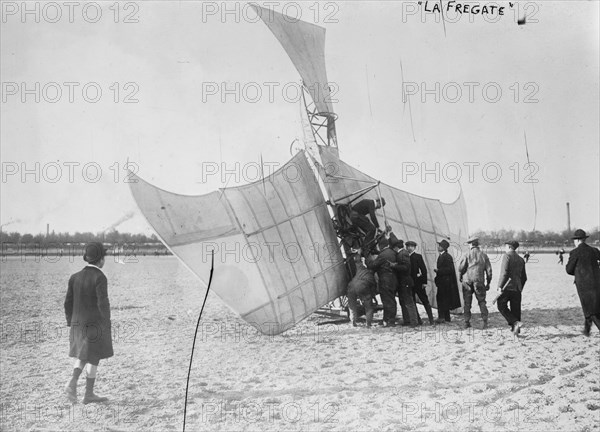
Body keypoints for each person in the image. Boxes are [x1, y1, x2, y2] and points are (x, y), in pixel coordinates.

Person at [64, 242, 113, 404]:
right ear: (100, 260)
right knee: (93, 356)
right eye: (104, 257)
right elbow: (103, 304)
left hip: (77, 324)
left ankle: (86, 393)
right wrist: (107, 322)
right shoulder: (100, 277)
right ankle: (80, 388)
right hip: (94, 325)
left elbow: (67, 303)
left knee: (86, 356)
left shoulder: (74, 277)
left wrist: (70, 322)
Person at [565, 229, 600, 336]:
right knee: (594, 306)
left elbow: (569, 270)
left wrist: (578, 273)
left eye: (575, 240)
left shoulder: (574, 252)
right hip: (597, 283)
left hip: (584, 285)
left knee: (589, 309)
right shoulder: (595, 250)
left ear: (578, 240)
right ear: (584, 239)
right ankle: (587, 330)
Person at [458, 237, 492, 329]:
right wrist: (488, 283)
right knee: (482, 301)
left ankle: (466, 322)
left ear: (471, 245)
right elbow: (489, 271)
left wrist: (460, 277)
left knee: (467, 303)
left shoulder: (466, 254)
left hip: (467, 281)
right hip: (479, 281)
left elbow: (461, 268)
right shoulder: (484, 255)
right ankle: (485, 321)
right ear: (477, 244)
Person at [496, 240, 527, 336]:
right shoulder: (521, 259)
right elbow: (524, 277)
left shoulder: (507, 256)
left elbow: (504, 273)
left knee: (501, 305)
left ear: (509, 247)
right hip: (517, 288)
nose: (505, 248)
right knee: (516, 309)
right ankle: (516, 331)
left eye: (505, 246)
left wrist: (500, 286)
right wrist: (520, 287)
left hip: (507, 287)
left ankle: (514, 322)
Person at [367, 236, 398, 326]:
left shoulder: (382, 255)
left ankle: (390, 321)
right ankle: (387, 319)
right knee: (391, 299)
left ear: (380, 246)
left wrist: (367, 257)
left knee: (387, 300)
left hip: (385, 281)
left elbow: (372, 265)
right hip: (394, 280)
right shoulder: (392, 252)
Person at [389, 233, 419, 327]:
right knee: (404, 302)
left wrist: (394, 266)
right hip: (403, 282)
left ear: (396, 247)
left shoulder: (403, 254)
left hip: (405, 281)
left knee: (409, 302)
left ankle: (414, 322)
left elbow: (406, 267)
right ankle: (407, 320)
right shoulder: (403, 253)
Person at [406, 240, 435, 325]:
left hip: (418, 283)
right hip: (410, 283)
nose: (409, 248)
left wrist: (424, 282)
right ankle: (418, 320)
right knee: (413, 302)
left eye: (411, 246)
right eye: (408, 246)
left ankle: (431, 319)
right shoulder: (405, 257)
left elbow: (424, 269)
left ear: (415, 248)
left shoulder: (418, 256)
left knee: (425, 300)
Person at [433, 240, 461, 323]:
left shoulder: (447, 256)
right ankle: (445, 318)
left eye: (440, 246)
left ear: (443, 248)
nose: (438, 247)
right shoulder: (444, 255)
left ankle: (442, 318)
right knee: (444, 300)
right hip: (444, 282)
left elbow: (450, 269)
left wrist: (439, 271)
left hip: (445, 283)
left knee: (442, 300)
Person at [346, 254, 377, 327]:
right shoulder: (371, 276)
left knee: (352, 306)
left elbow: (357, 262)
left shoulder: (360, 268)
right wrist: (372, 297)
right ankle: (368, 324)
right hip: (362, 287)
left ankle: (353, 322)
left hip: (351, 286)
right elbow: (373, 289)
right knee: (368, 307)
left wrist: (358, 254)